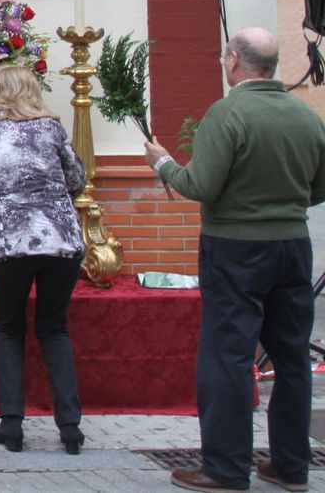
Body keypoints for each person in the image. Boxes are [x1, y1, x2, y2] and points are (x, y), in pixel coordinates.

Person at [143, 27, 325, 493]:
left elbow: (199, 185)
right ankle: (291, 466)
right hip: (292, 244)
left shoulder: (228, 113)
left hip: (235, 246)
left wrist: (163, 163)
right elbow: (320, 188)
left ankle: (224, 468)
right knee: (291, 356)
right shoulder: (305, 115)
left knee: (227, 355)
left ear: (232, 60)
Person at [0, 63, 87, 455]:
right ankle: (70, 427)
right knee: (54, 328)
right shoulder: (52, 128)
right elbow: (77, 180)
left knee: (9, 327)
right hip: (61, 239)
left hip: (10, 241)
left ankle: (11, 424)